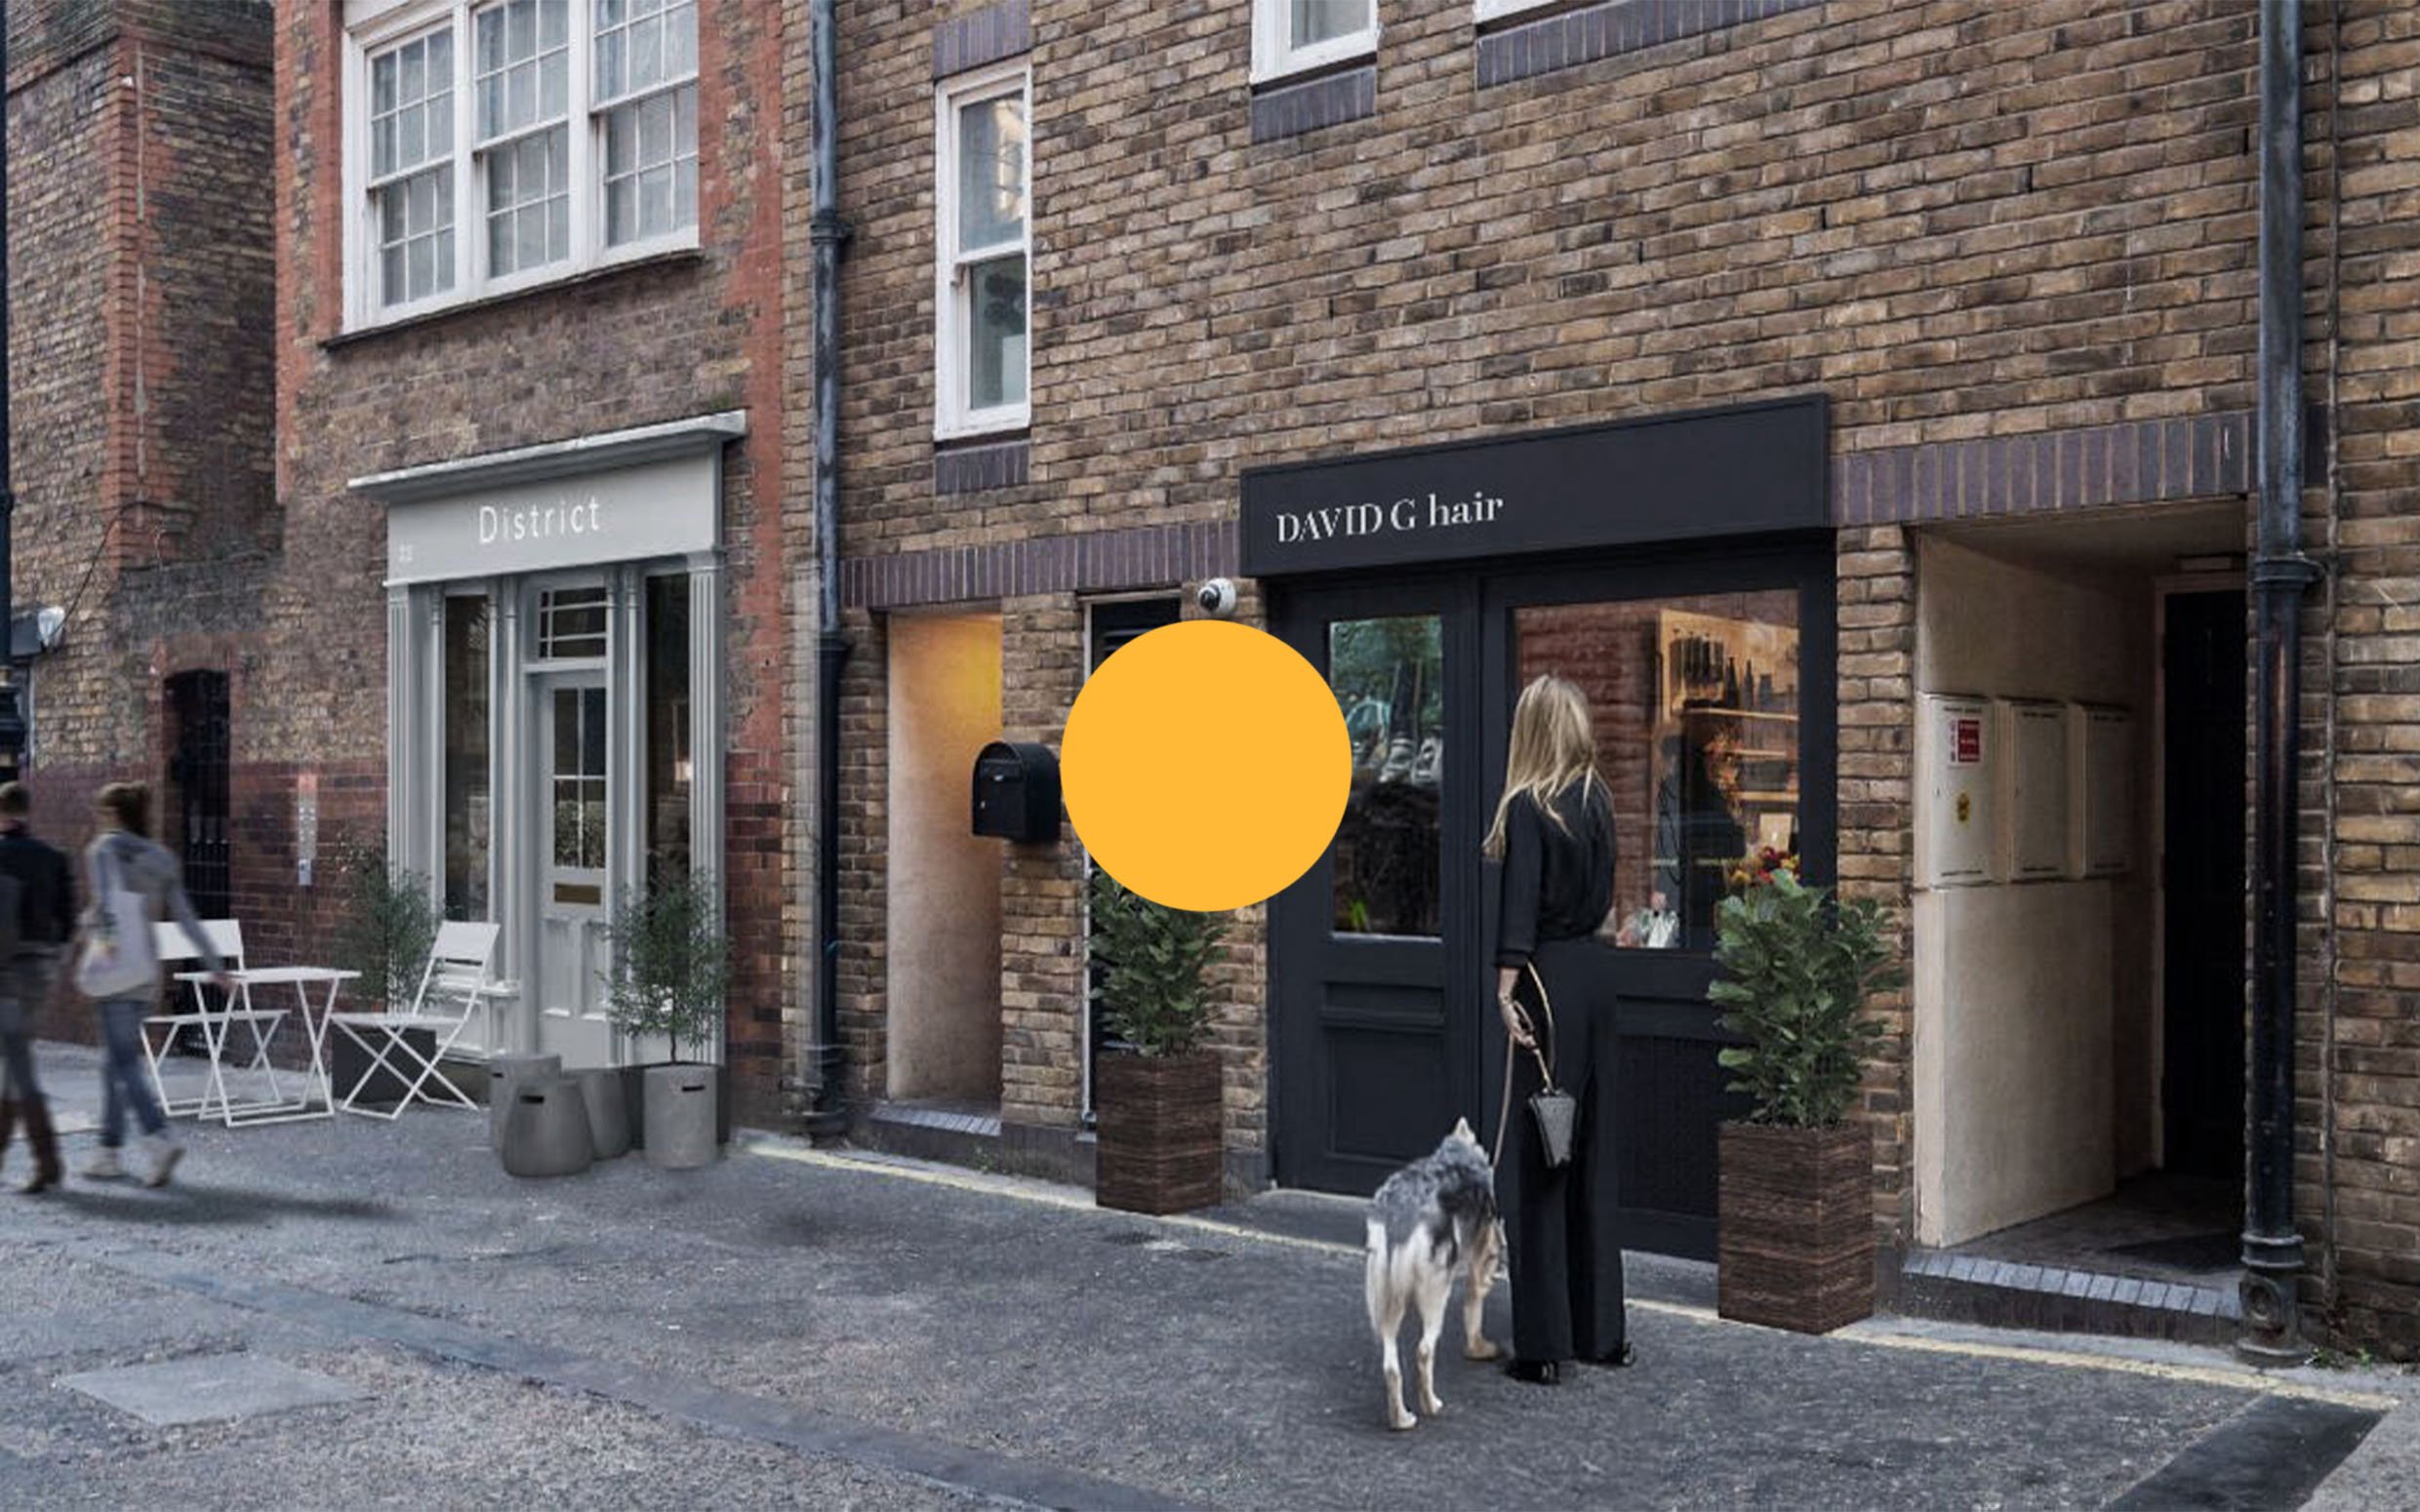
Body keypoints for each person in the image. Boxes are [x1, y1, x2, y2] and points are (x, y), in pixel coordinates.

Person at [1485, 673, 1632, 1385]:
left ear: (1531, 731)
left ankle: (1543, 1344)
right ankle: (1604, 1333)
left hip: (1545, 981)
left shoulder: (1528, 805)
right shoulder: (1598, 799)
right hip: (1598, 978)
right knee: (1593, 1154)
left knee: (1544, 1157)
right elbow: (1606, 899)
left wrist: (1503, 991)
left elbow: (1519, 909)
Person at [76, 781, 229, 1187]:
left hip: (115, 969)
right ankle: (107, 1151)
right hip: (146, 970)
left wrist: (95, 942)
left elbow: (106, 908)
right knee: (115, 1060)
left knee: (123, 1061)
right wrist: (216, 967)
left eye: (102, 812)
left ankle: (159, 1138)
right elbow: (186, 917)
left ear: (113, 814)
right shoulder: (161, 857)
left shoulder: (103, 850)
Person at [0, 781, 75, 1194]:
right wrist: (53, 961)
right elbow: (68, 920)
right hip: (41, 971)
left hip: (9, 973)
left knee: (19, 1066)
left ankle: (48, 1162)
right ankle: (44, 1162)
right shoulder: (53, 857)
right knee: (16, 1062)